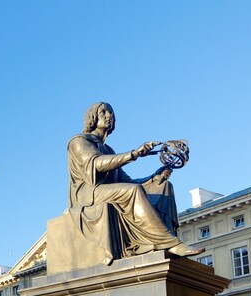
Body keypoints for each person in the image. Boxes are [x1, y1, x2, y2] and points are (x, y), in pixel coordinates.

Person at [67, 102, 203, 262]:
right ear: (92, 117)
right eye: (103, 112)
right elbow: (98, 163)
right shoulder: (79, 141)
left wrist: (155, 177)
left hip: (107, 192)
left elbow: (128, 181)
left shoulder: (109, 150)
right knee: (132, 191)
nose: (109, 116)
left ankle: (164, 243)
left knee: (164, 186)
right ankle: (170, 243)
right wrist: (135, 153)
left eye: (111, 113)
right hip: (89, 194)